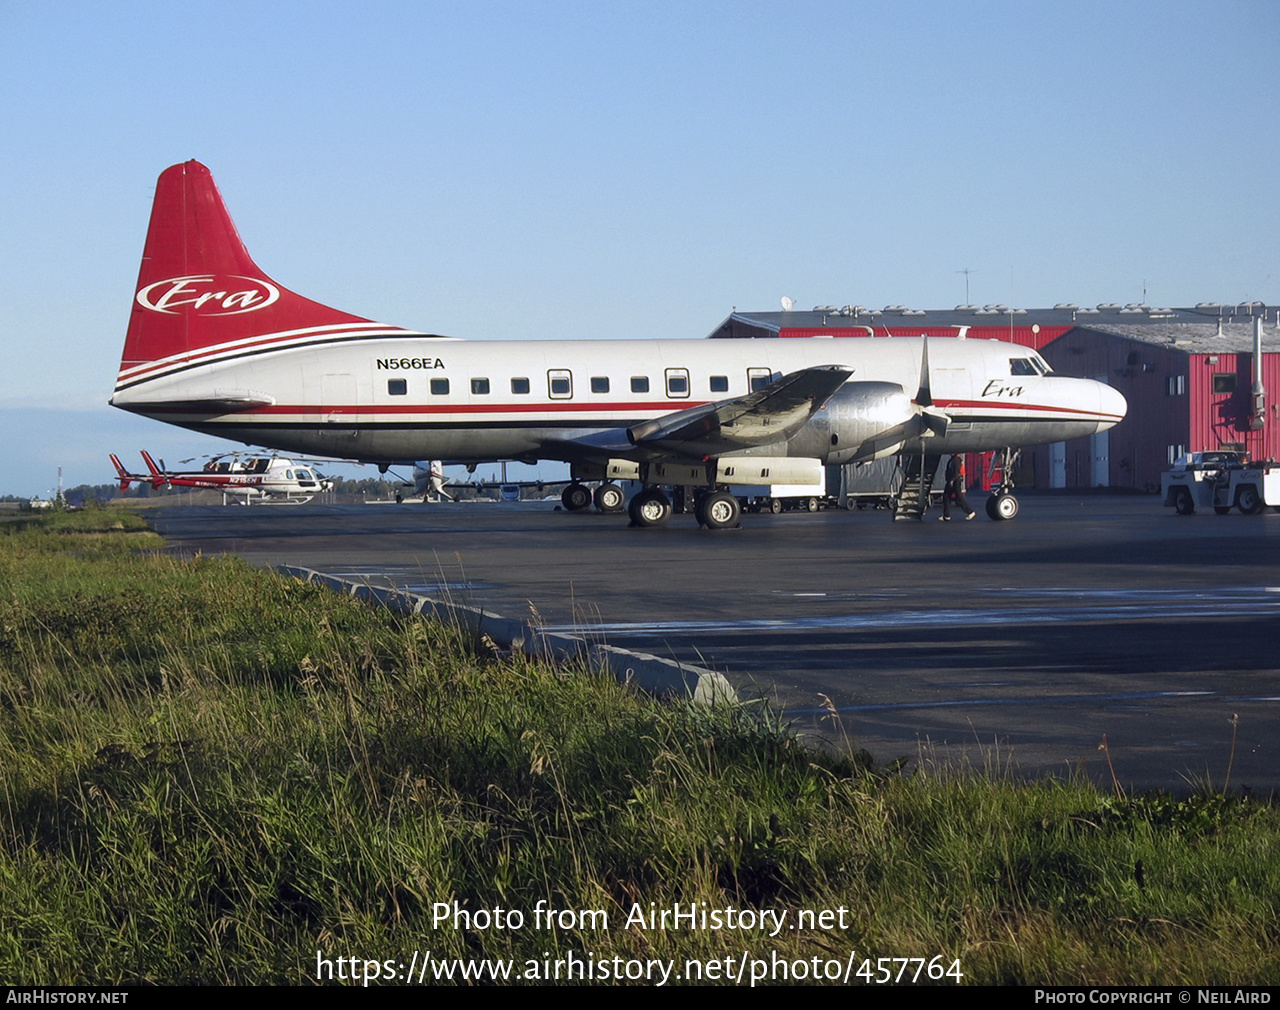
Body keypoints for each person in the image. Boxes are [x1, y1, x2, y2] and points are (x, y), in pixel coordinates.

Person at [941, 454, 976, 521]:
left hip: (955, 481)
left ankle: (970, 511)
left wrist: (952, 480)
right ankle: (946, 515)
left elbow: (956, 471)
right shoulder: (952, 459)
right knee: (946, 497)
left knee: (958, 497)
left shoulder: (957, 460)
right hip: (951, 480)